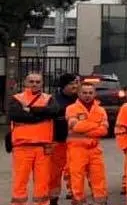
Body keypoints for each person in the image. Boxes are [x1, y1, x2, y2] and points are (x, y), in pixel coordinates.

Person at [8, 72, 60, 205]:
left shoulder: (49, 99)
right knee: (20, 182)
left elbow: (54, 111)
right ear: (25, 83)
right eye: (31, 81)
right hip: (22, 147)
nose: (34, 84)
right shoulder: (17, 99)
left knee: (42, 183)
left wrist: (30, 110)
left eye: (37, 82)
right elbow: (16, 116)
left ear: (42, 83)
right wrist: (42, 114)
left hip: (43, 148)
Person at [65, 82, 109, 205]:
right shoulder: (71, 108)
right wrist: (96, 126)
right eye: (84, 93)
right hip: (77, 149)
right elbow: (75, 127)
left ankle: (100, 201)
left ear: (94, 94)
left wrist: (86, 128)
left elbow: (104, 130)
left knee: (98, 177)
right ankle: (78, 201)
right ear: (79, 93)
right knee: (77, 178)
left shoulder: (100, 110)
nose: (87, 95)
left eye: (90, 93)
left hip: (95, 149)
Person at [50, 73, 79, 204]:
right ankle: (53, 199)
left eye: (76, 83)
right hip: (58, 142)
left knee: (76, 172)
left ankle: (75, 196)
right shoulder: (54, 101)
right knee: (54, 173)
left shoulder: (81, 99)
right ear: (63, 86)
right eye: (72, 83)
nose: (75, 86)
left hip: (76, 143)